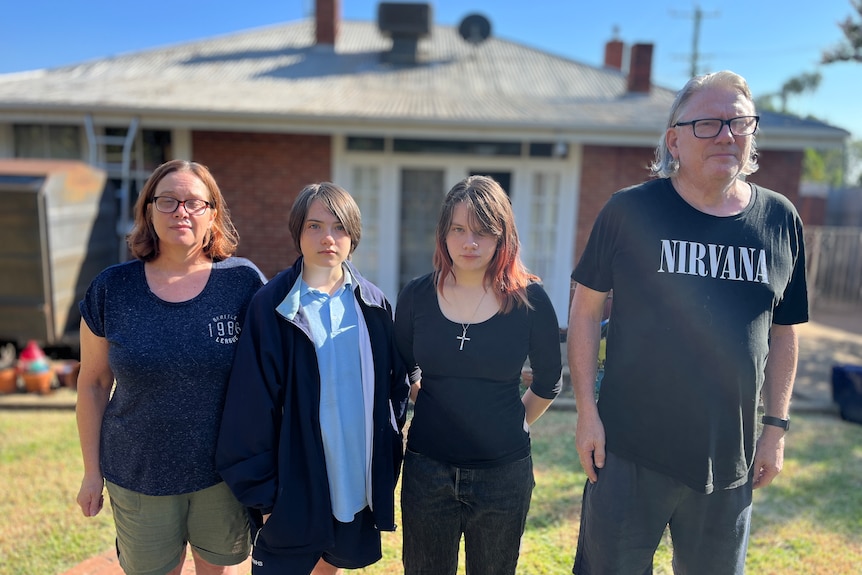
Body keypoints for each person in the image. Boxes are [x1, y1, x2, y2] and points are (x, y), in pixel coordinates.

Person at [569, 70, 808, 574]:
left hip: (729, 461)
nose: (727, 134)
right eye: (709, 124)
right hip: (628, 452)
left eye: (740, 122)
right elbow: (586, 309)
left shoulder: (780, 220)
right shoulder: (629, 211)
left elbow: (785, 331)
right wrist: (586, 412)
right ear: (674, 140)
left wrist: (776, 428)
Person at [76, 159, 266, 575]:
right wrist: (92, 473)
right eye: (167, 201)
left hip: (223, 475)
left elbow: (271, 378)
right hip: (138, 473)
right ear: (148, 211)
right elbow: (91, 384)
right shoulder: (112, 287)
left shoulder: (244, 283)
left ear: (212, 213)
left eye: (194, 202)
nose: (181, 211)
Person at [215, 182, 410, 575]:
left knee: (330, 565)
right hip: (292, 487)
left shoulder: (372, 303)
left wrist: (384, 464)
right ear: (297, 233)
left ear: (353, 235)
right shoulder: (271, 305)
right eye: (314, 226)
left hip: (354, 482)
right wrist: (266, 498)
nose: (327, 238)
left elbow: (395, 392)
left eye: (339, 227)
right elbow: (250, 407)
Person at [395, 175, 563, 575]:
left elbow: (548, 380)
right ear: (444, 234)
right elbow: (403, 368)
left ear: (502, 236)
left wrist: (514, 420)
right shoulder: (416, 295)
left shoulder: (530, 300)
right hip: (427, 471)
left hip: (503, 476)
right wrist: (437, 404)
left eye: (483, 231)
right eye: (459, 229)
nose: (470, 242)